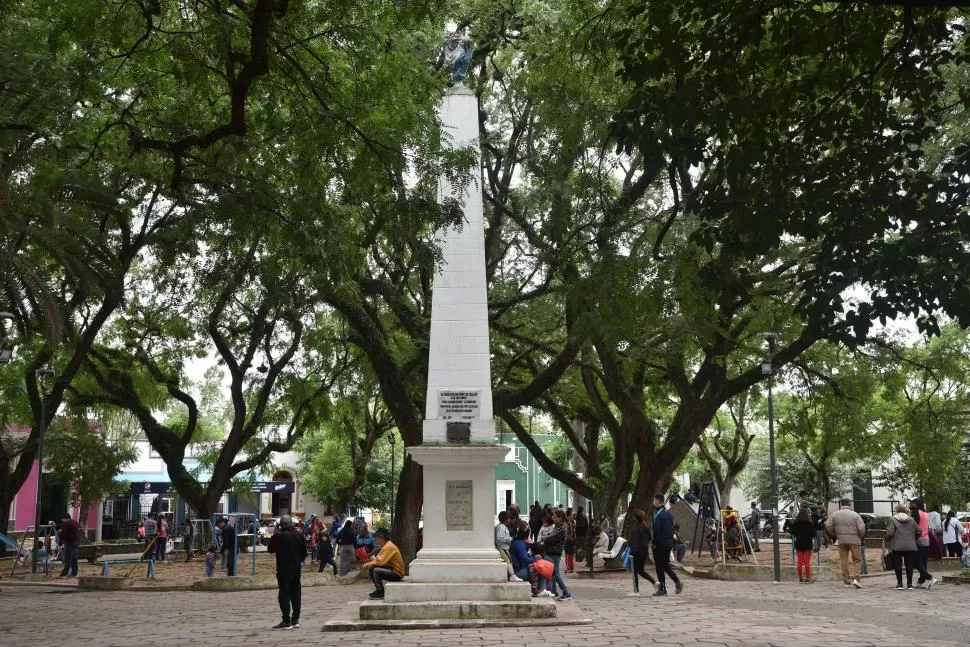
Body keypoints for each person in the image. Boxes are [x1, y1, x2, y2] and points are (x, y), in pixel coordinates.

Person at [267, 515, 307, 630]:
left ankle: (286, 620)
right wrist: (298, 561)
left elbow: (270, 549)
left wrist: (274, 534)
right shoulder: (299, 535)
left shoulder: (279, 536)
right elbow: (304, 553)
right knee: (296, 593)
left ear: (281, 525)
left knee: (284, 592)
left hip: (283, 569)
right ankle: (295, 619)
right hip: (296, 568)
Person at [825, 499, 865, 588]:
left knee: (844, 560)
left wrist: (834, 535)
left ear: (841, 504)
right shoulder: (855, 515)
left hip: (841, 540)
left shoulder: (834, 515)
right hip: (855, 541)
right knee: (857, 560)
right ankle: (856, 578)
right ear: (849, 504)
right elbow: (861, 528)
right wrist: (860, 536)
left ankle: (846, 581)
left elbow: (828, 526)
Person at [651, 494, 683, 596]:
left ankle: (662, 589)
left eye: (654, 500)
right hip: (668, 543)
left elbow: (657, 530)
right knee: (665, 565)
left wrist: (655, 543)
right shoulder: (668, 513)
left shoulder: (657, 514)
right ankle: (677, 582)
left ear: (657, 501)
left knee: (659, 567)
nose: (653, 502)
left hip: (660, 543)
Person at [361, 529, 404, 599]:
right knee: (372, 568)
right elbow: (379, 560)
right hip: (391, 569)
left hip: (396, 573)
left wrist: (366, 565)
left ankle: (381, 591)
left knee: (375, 570)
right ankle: (379, 589)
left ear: (381, 537)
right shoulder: (386, 546)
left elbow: (379, 561)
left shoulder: (388, 547)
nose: (375, 540)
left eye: (376, 538)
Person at [886, 503, 920, 590]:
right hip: (910, 544)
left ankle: (900, 584)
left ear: (897, 510)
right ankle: (909, 584)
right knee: (909, 564)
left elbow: (890, 532)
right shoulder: (911, 519)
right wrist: (914, 539)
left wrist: (887, 539)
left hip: (897, 545)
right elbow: (919, 531)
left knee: (898, 564)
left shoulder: (893, 519)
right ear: (905, 510)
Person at [545, 509, 573, 601]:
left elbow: (551, 538)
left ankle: (566, 593)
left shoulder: (562, 528)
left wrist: (544, 538)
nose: (553, 518)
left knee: (556, 574)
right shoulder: (558, 526)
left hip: (555, 552)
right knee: (553, 573)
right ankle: (553, 591)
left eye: (555, 517)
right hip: (552, 551)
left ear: (560, 518)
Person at [909, 499, 936, 588]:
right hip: (926, 539)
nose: (910, 504)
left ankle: (930, 578)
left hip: (918, 540)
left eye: (912, 503)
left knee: (916, 562)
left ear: (916, 504)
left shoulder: (915, 513)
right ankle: (921, 580)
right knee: (923, 562)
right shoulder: (925, 513)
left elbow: (914, 527)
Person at [629, 510, 658, 593]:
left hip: (637, 551)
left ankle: (636, 590)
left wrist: (632, 553)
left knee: (634, 571)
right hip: (644, 551)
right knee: (640, 570)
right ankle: (654, 582)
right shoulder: (645, 526)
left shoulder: (636, 528)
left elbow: (634, 541)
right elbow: (649, 538)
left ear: (635, 518)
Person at [790, 506, 816, 583]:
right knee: (807, 562)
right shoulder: (810, 524)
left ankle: (800, 578)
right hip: (808, 544)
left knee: (799, 562)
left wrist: (791, 523)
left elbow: (792, 531)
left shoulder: (796, 524)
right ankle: (808, 578)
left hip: (799, 544)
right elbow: (814, 534)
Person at [57, 514, 79, 579]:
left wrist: (60, 543)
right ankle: (74, 573)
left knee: (67, 559)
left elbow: (63, 534)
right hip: (75, 542)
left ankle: (64, 574)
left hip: (69, 543)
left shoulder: (66, 524)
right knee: (74, 559)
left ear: (65, 518)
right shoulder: (75, 522)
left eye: (63, 520)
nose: (62, 521)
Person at [564, 508, 576, 573]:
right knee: (570, 554)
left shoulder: (568, 521)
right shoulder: (570, 521)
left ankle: (569, 567)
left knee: (569, 554)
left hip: (569, 538)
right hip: (570, 538)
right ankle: (571, 567)